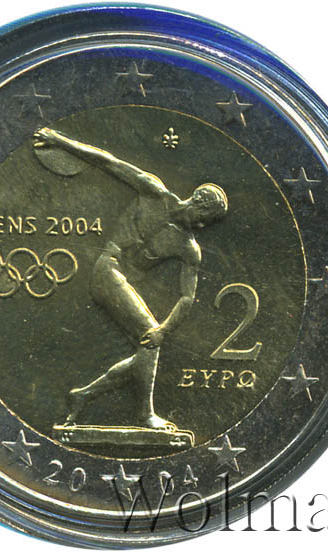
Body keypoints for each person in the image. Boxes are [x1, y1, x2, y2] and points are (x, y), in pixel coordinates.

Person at [34, 127, 228, 431]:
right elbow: (107, 161)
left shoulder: (188, 248)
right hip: (108, 269)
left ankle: (83, 395)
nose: (203, 226)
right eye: (205, 219)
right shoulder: (154, 192)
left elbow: (187, 297)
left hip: (123, 281)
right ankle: (144, 415)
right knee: (149, 338)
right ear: (198, 203)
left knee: (147, 347)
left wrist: (165, 329)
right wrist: (60, 141)